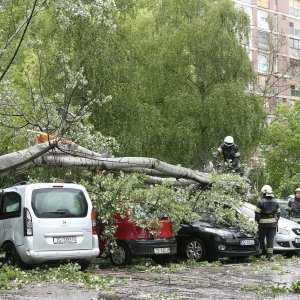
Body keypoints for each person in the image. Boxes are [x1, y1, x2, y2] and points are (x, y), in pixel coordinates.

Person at [255, 185, 280, 261]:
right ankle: (269, 256)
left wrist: (257, 221)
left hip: (262, 224)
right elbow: (278, 213)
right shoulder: (275, 202)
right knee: (270, 239)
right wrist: (276, 220)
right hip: (273, 224)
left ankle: (260, 255)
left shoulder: (261, 201)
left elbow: (256, 213)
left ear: (264, 193)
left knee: (261, 239)